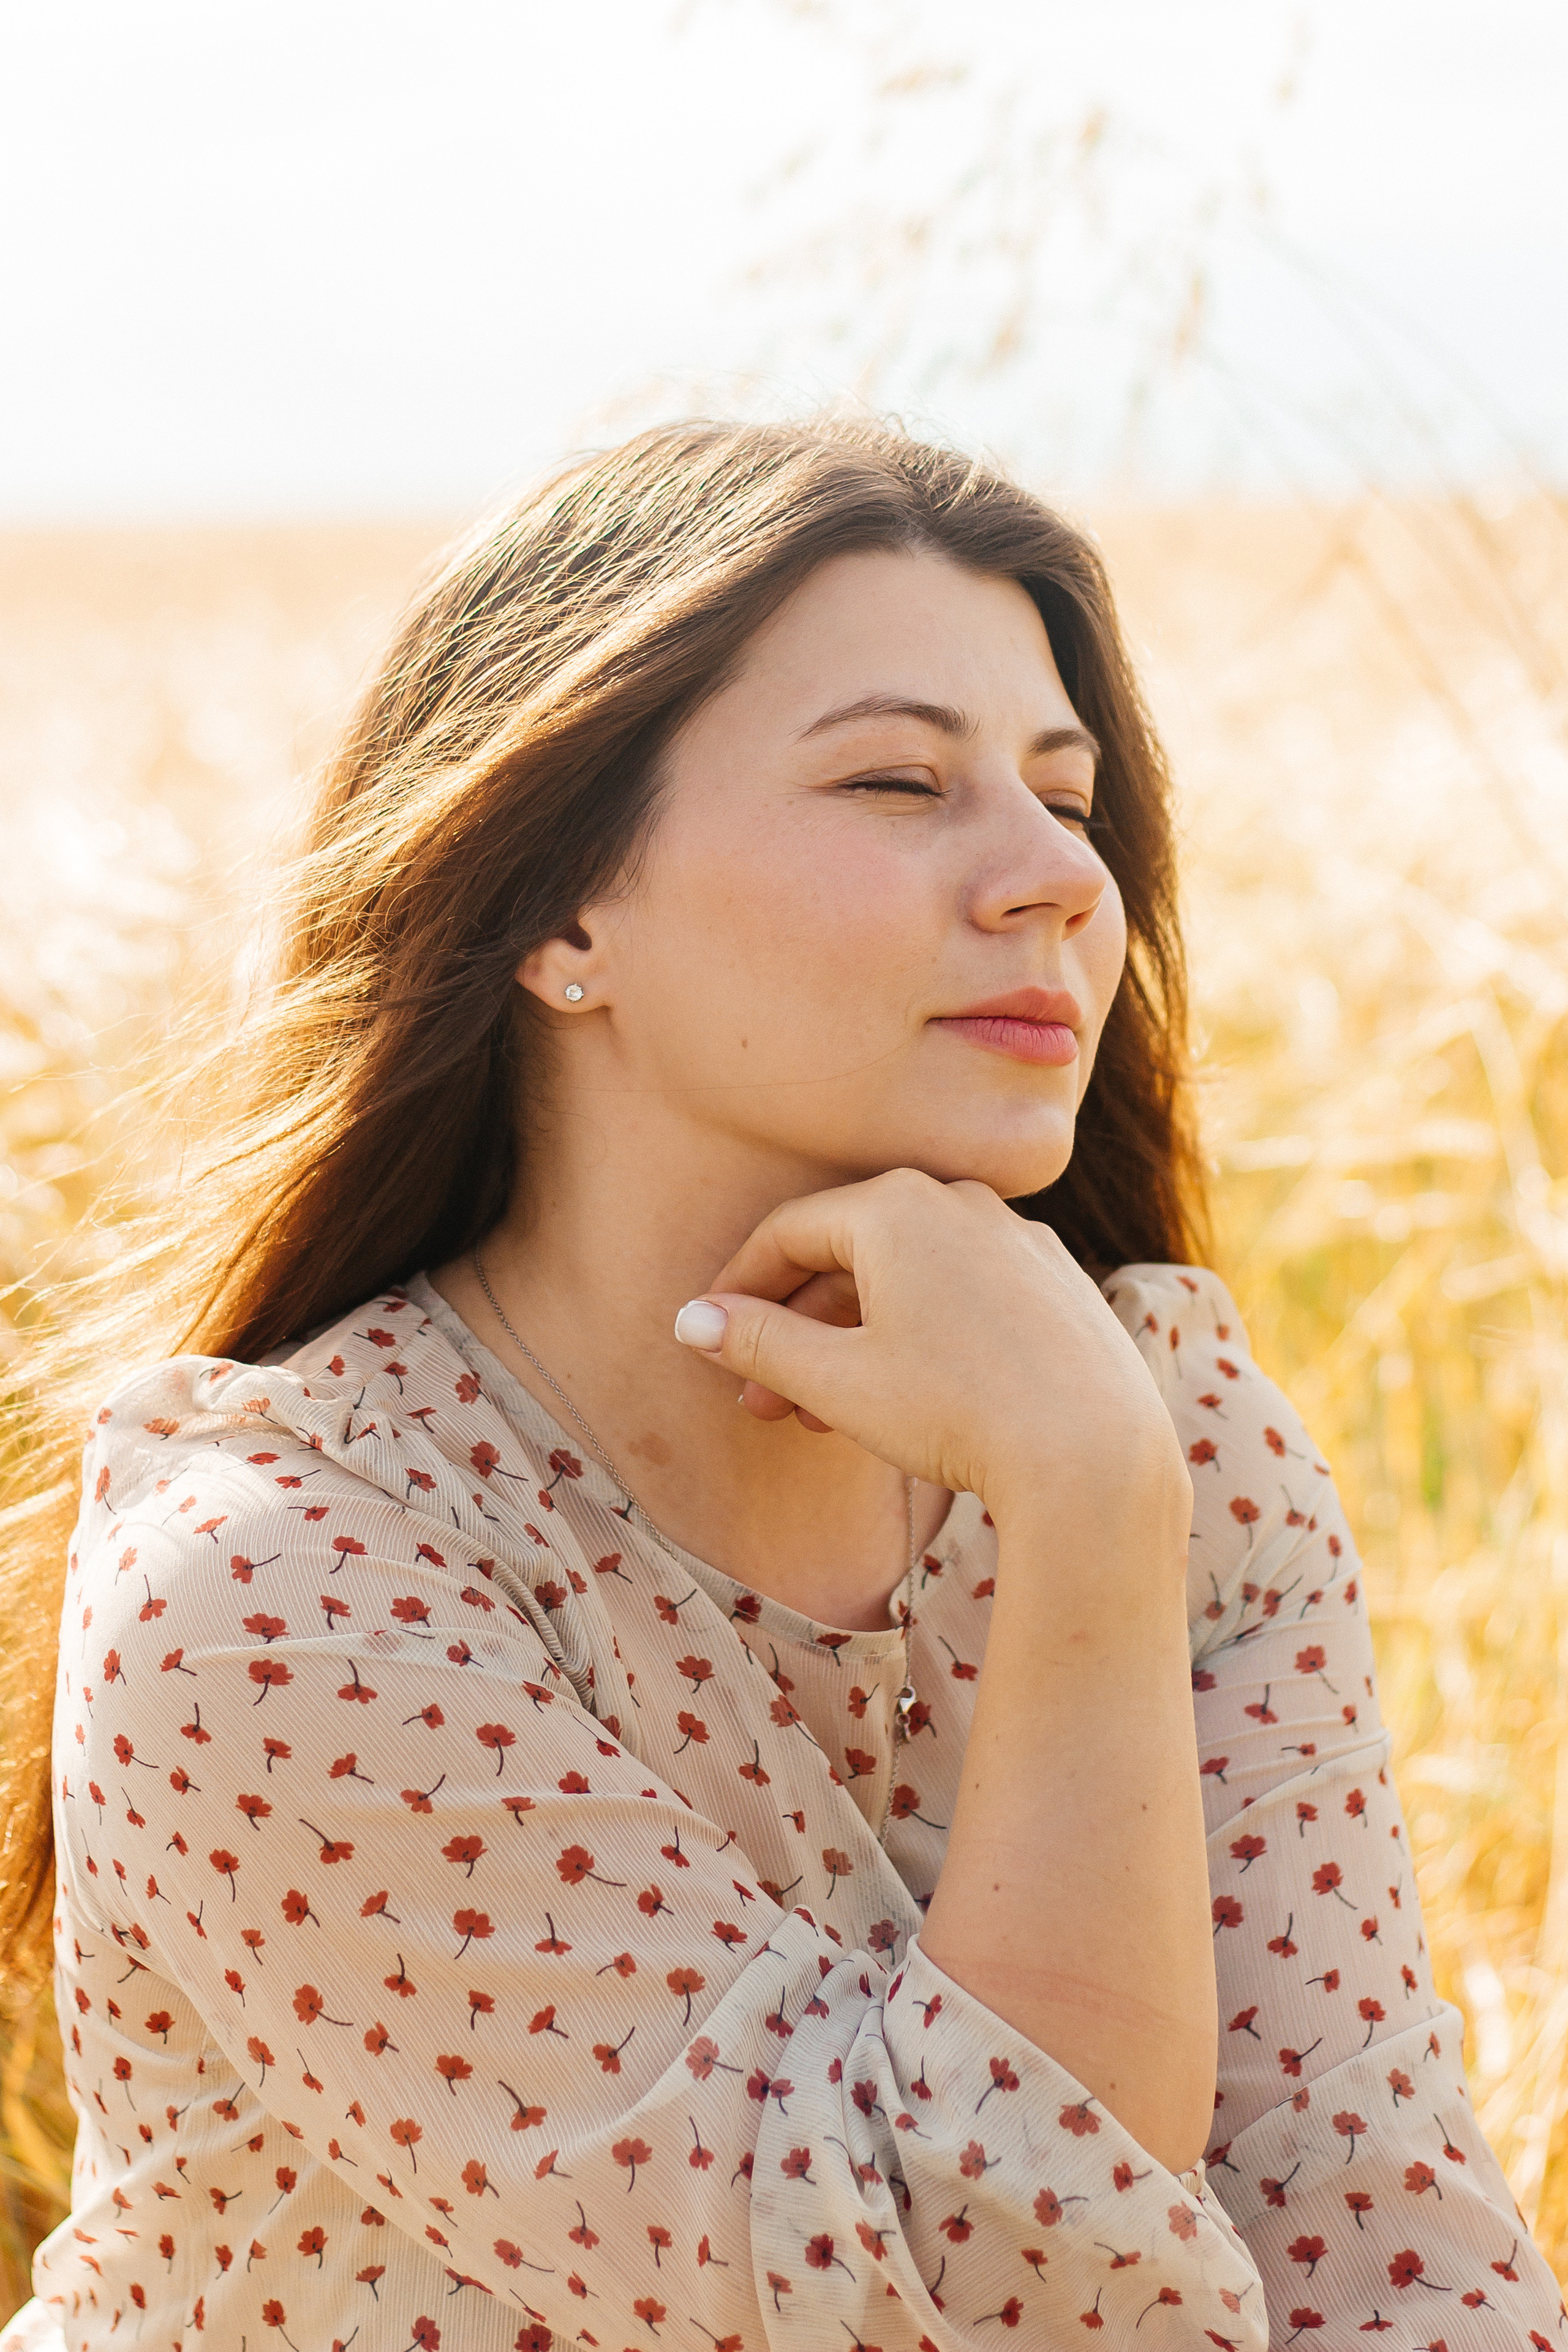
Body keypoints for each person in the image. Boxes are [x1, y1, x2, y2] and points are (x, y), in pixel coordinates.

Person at [2, 418, 1559, 2352]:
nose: (1059, 881)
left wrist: (1101, 1468)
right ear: (565, 913)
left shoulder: (1179, 1423)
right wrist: (1080, 1505)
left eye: (1068, 798)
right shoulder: (276, 1582)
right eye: (901, 780)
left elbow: (1380, 2223)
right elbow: (985, 2310)